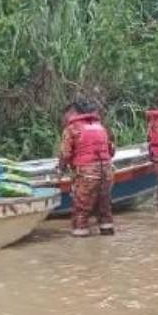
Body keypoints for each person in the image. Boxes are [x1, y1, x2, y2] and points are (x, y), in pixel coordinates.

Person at [58, 100, 116, 236]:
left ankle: (81, 245)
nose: (65, 118)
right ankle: (107, 233)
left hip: (87, 174)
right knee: (104, 208)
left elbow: (65, 154)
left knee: (81, 210)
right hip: (106, 173)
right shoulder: (100, 127)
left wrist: (60, 169)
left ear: (73, 113)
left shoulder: (72, 129)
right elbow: (111, 151)